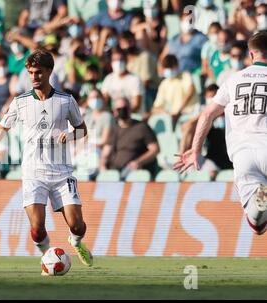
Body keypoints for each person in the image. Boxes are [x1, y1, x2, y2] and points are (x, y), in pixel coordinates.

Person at [0, 49, 93, 272]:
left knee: (76, 224)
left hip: (62, 173)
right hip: (33, 173)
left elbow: (82, 130)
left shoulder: (65, 101)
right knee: (37, 226)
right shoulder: (20, 102)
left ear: (50, 72)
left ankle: (75, 242)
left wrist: (71, 135)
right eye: (30, 72)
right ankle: (49, 258)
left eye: (38, 72)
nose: (34, 77)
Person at [174, 31, 267, 235]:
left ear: (251, 55)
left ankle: (262, 197)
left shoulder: (233, 80)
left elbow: (207, 115)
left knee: (257, 225)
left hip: (243, 155)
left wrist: (195, 150)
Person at [101, 97, 160, 179]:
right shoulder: (114, 130)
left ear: (130, 109)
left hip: (133, 170)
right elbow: (105, 153)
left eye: (125, 108)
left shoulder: (142, 127)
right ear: (114, 112)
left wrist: (138, 162)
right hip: (114, 169)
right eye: (119, 109)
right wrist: (102, 166)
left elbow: (155, 150)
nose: (122, 111)